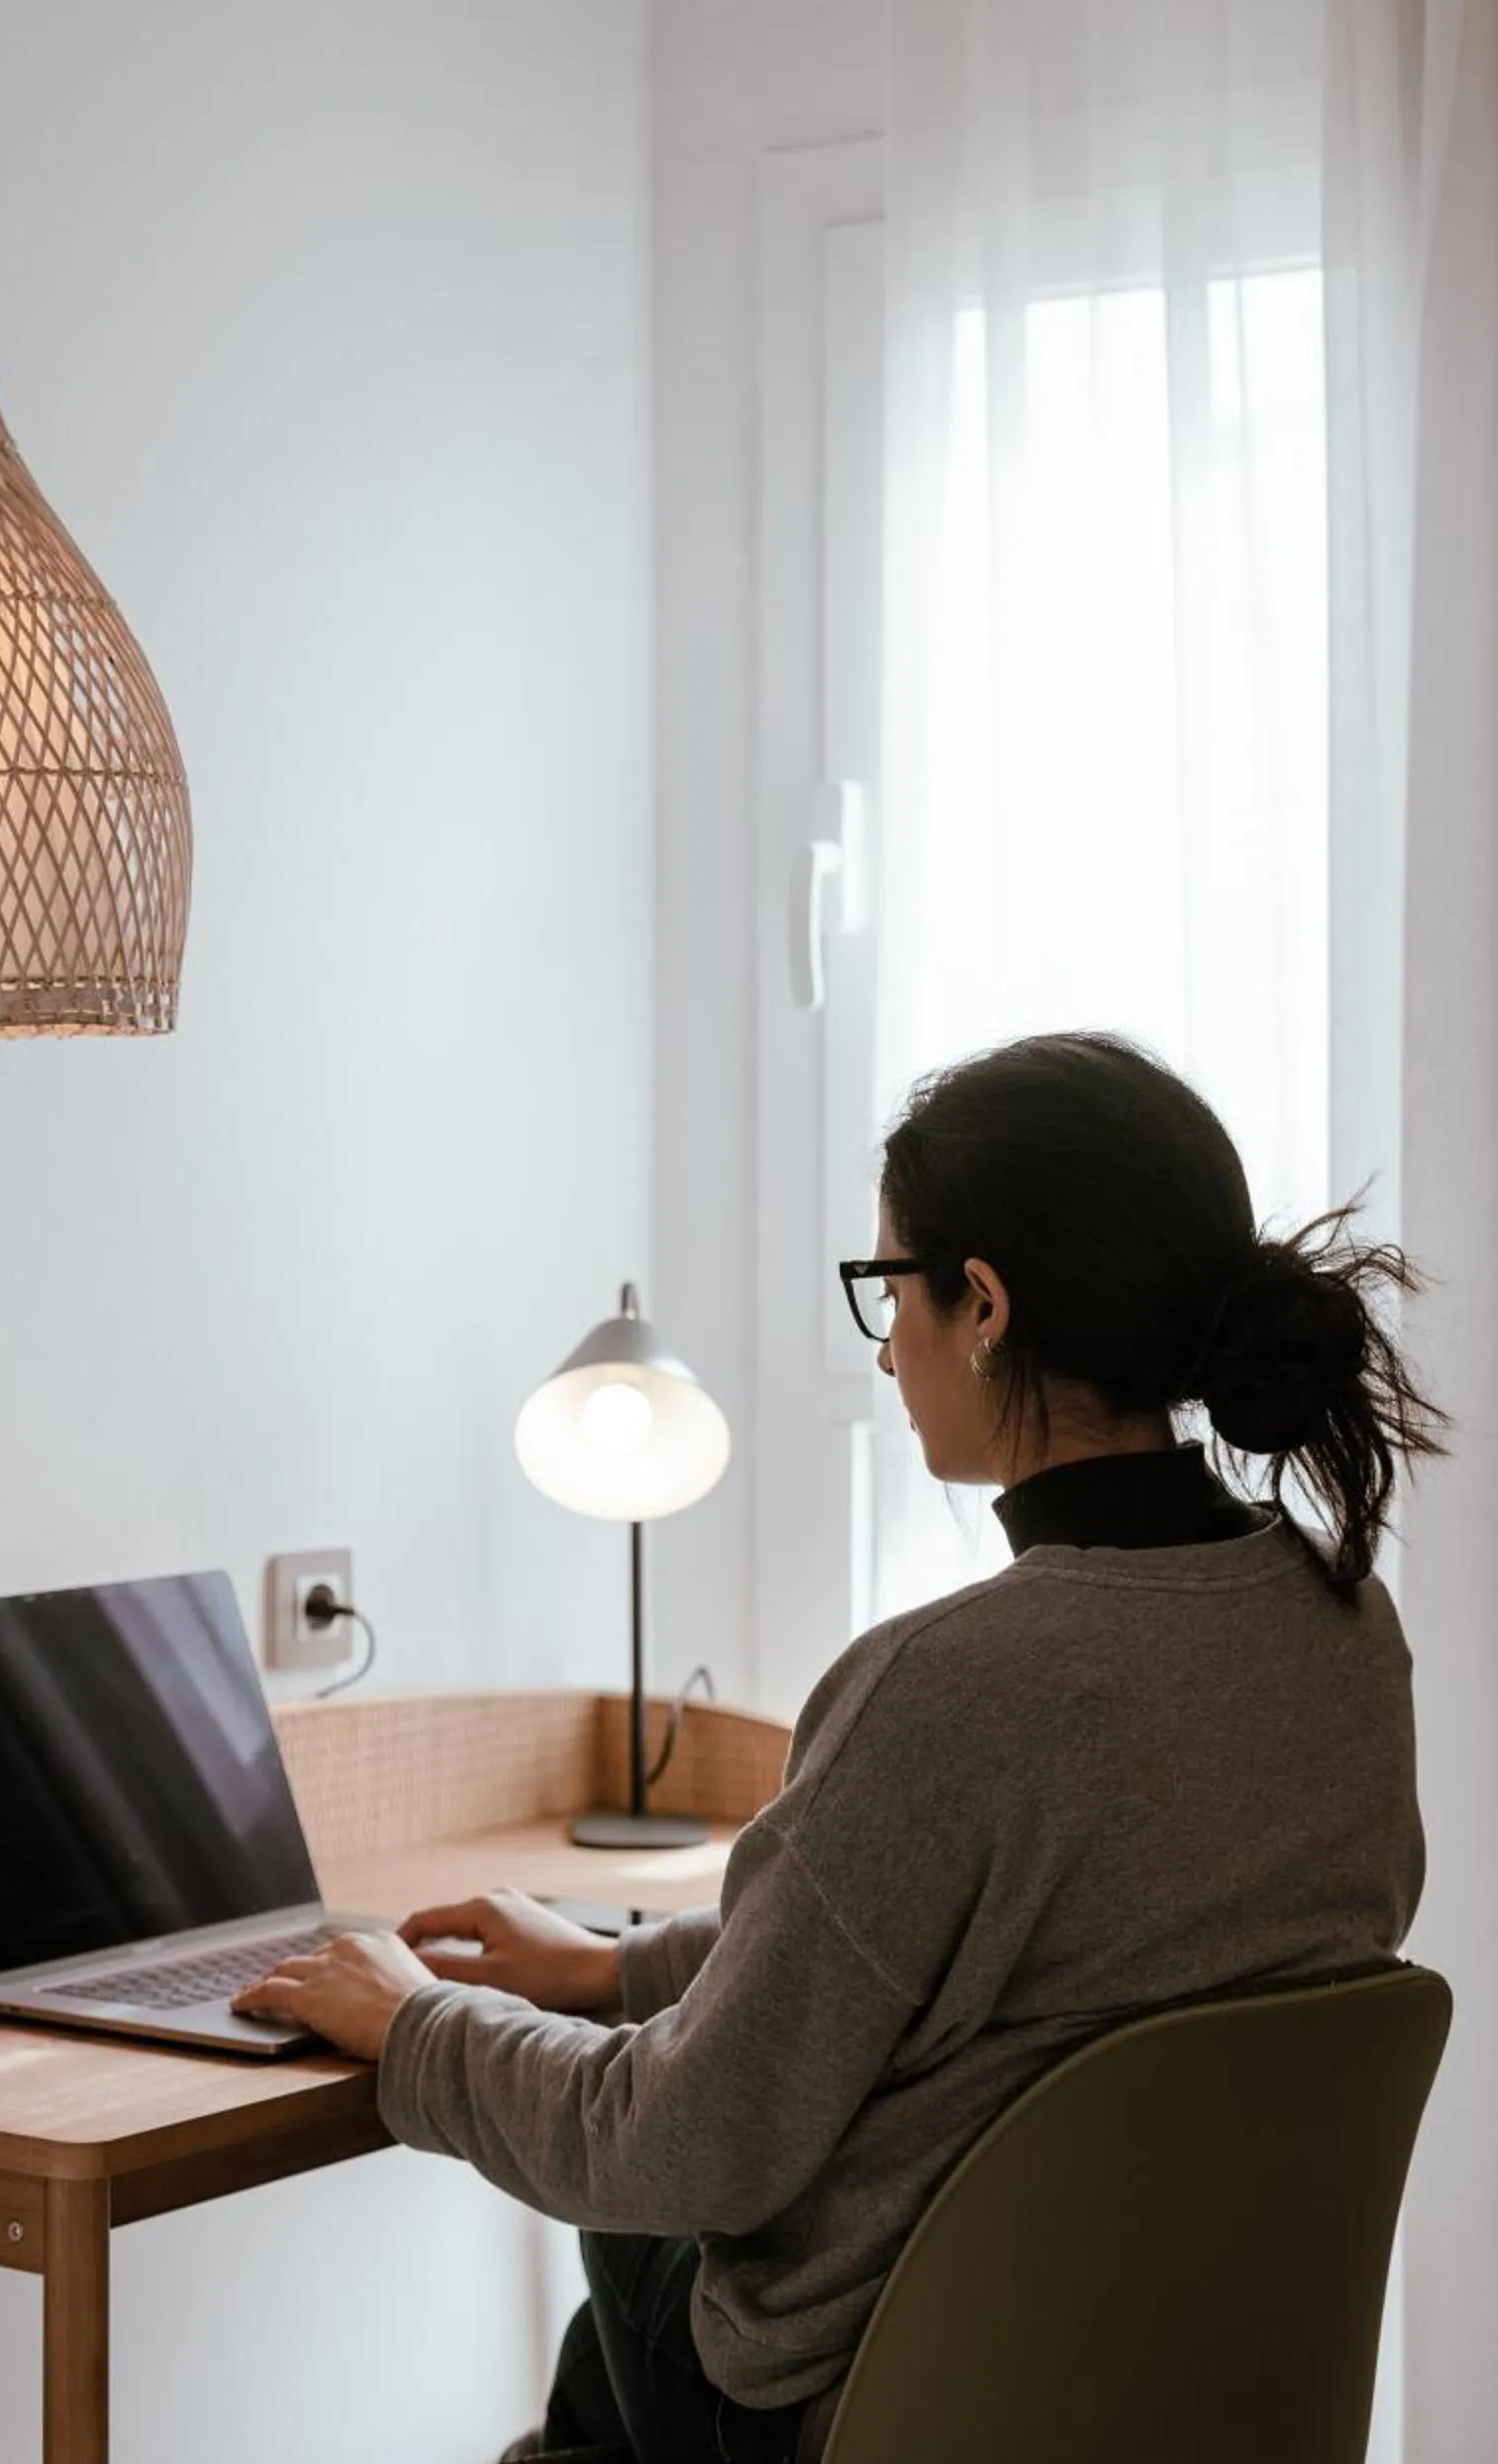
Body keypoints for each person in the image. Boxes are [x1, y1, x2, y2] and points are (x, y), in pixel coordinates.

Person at [233, 1032, 1444, 2464]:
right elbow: (984, 1959)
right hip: (1176, 2391)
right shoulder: (1338, 1625)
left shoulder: (950, 1688)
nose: (884, 1348)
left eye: (889, 1287)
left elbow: (671, 2145)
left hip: (906, 2399)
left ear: (982, 1304)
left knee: (643, 2273)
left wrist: (410, 2019)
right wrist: (609, 1969)